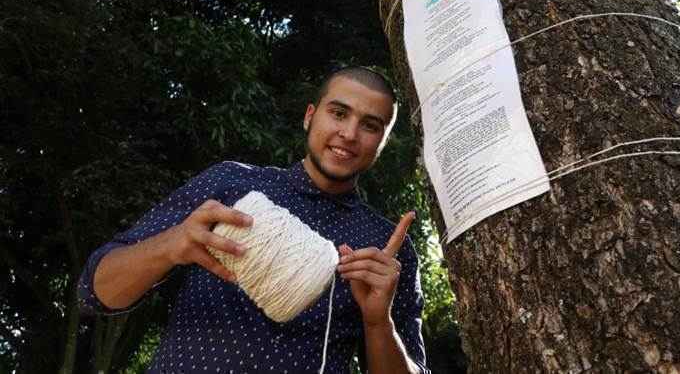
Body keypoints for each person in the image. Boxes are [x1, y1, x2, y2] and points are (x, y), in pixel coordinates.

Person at [78, 66, 430, 374]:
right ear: (310, 115)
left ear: (382, 142)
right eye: (339, 113)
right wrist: (172, 244)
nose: (350, 134)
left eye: (370, 126)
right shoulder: (230, 183)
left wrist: (377, 322)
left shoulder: (387, 248)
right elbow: (94, 293)